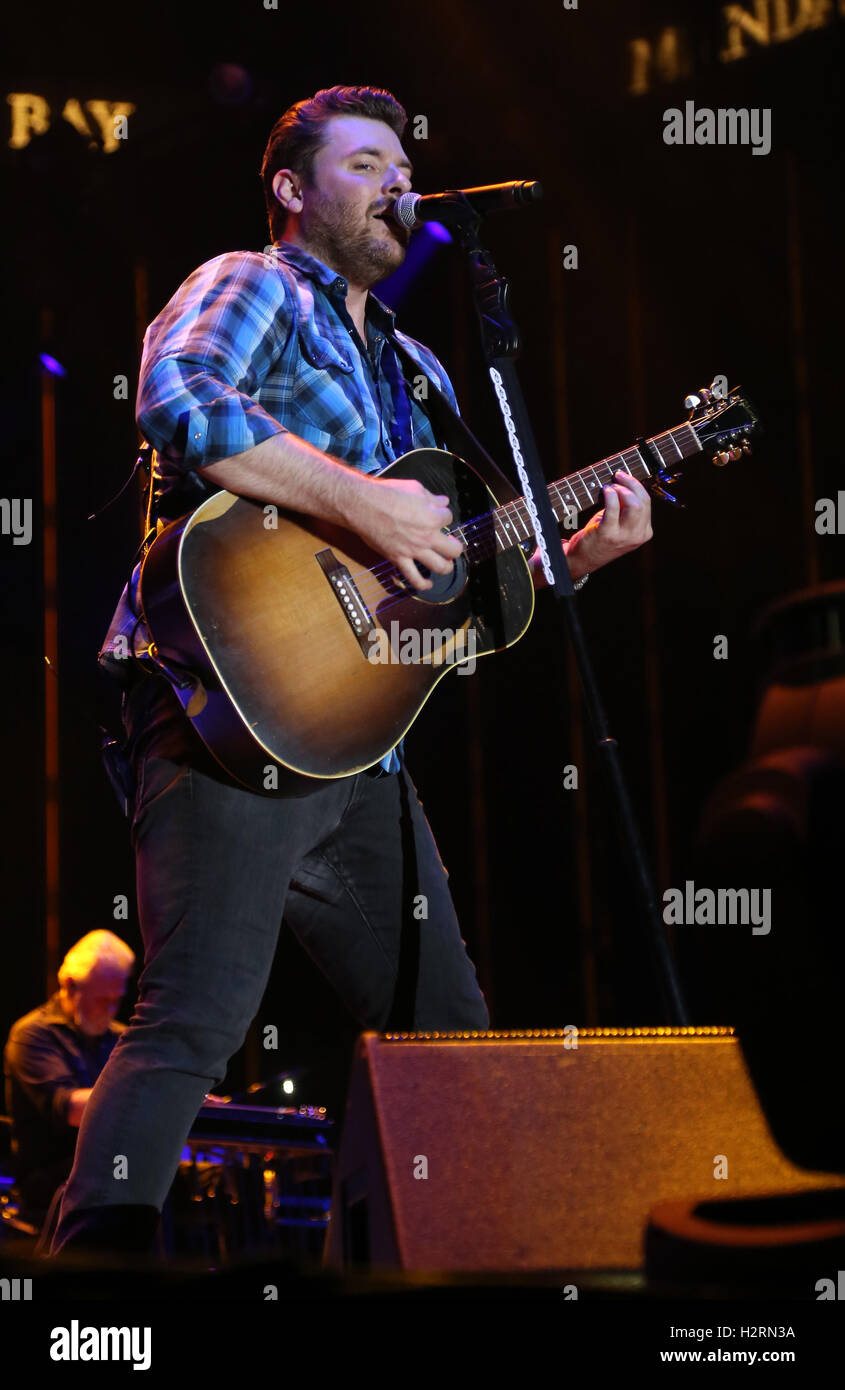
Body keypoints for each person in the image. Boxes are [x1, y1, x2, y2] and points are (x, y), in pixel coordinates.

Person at [50, 84, 652, 1257]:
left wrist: (572, 558)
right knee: (194, 1015)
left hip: (354, 739)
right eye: (365, 162)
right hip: (222, 700)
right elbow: (177, 396)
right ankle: (92, 1278)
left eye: (401, 164)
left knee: (443, 1033)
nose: (396, 183)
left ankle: (409, 1268)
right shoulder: (255, 281)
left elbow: (441, 593)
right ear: (292, 189)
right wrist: (363, 497)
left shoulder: (418, 363)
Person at [4, 931, 133, 1228]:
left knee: (213, 1178)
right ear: (70, 986)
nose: (112, 1010)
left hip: (105, 1167)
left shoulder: (120, 1037)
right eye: (103, 1000)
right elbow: (72, 1110)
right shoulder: (33, 1035)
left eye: (117, 1000)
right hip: (51, 1179)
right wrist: (150, 1093)